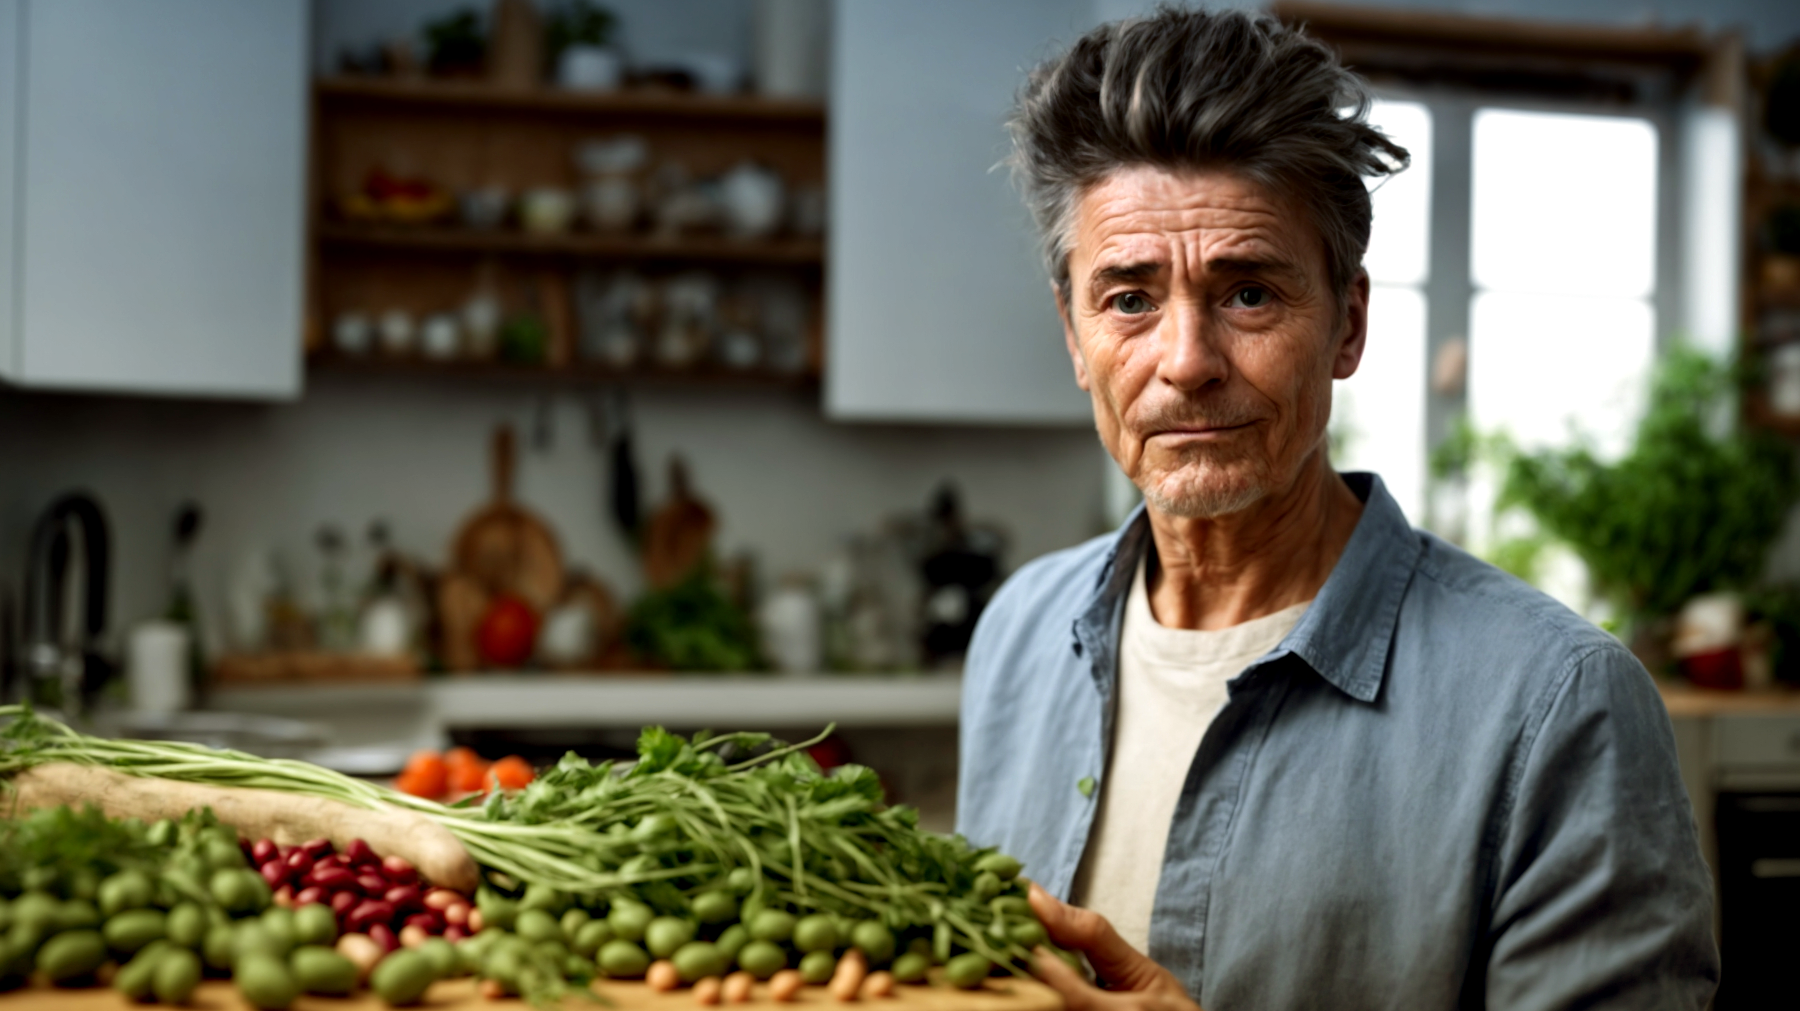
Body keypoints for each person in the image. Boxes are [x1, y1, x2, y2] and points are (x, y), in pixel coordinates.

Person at [955, 7, 1718, 1010]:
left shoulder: (1560, 707)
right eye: (1130, 300)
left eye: (1249, 295)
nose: (1185, 363)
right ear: (1074, 332)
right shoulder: (1019, 630)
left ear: (1347, 325)